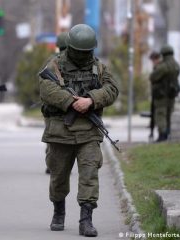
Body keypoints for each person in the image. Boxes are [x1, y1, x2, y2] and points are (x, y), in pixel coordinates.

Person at [39, 24, 119, 237]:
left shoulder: (98, 67)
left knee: (89, 174)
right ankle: (58, 212)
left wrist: (91, 100)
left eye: (88, 52)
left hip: (89, 132)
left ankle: (86, 219)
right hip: (60, 131)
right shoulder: (55, 65)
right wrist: (71, 102)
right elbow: (46, 89)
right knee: (58, 177)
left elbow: (112, 89)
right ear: (71, 48)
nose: (84, 55)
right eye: (80, 51)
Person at [45, 31, 69, 174]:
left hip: (51, 107)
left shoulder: (50, 60)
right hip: (70, 105)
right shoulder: (75, 62)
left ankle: (51, 164)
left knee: (51, 135)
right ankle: (63, 165)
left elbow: (42, 82)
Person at [150, 45, 180, 142]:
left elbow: (152, 77)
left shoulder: (163, 66)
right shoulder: (176, 65)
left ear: (163, 54)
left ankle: (162, 136)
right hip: (171, 95)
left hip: (161, 95)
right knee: (169, 115)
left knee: (161, 115)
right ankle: (167, 134)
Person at [147, 51, 161, 141]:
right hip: (155, 94)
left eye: (153, 60)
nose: (152, 62)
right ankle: (151, 132)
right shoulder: (156, 67)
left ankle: (159, 134)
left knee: (158, 115)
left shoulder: (159, 67)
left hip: (159, 95)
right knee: (153, 114)